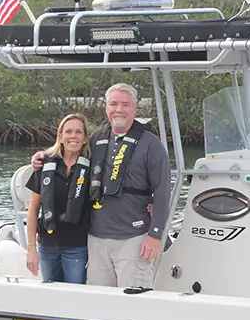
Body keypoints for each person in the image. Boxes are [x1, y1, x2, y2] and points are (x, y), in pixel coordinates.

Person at [31, 83, 171, 289]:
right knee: (98, 300)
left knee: (133, 300)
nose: (119, 109)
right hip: (96, 239)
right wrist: (41, 157)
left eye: (125, 104)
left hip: (133, 239)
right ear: (106, 107)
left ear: (135, 108)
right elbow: (68, 150)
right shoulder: (96, 139)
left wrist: (155, 235)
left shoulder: (152, 145)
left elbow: (162, 191)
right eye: (113, 104)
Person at [25, 113, 92, 284]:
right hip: (47, 245)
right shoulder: (45, 164)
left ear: (85, 138)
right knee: (50, 296)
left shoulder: (92, 167)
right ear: (60, 136)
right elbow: (33, 209)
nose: (73, 136)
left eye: (78, 132)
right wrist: (31, 249)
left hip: (77, 246)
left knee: (75, 297)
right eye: (68, 131)